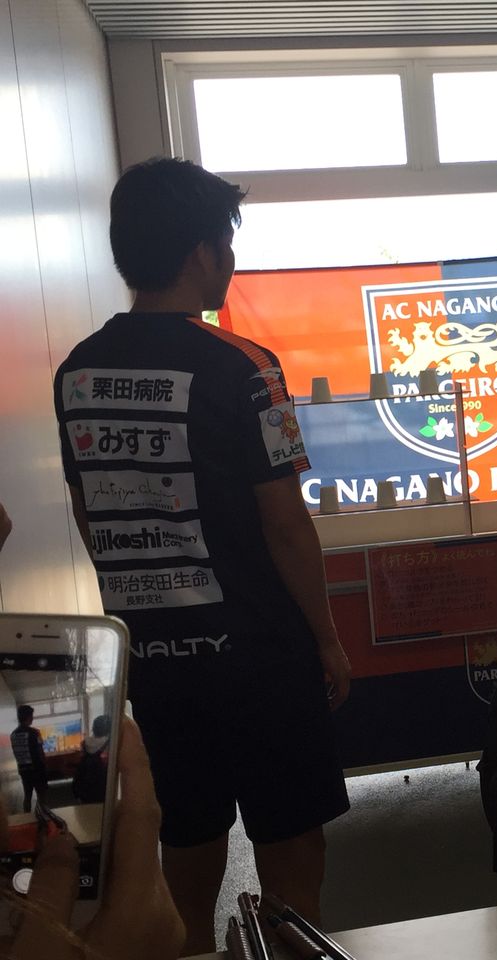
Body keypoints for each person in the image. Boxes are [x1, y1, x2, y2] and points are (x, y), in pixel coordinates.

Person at [52, 158, 352, 954]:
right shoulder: (246, 367)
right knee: (292, 845)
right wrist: (326, 638)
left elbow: (91, 512)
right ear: (200, 253)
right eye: (226, 243)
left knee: (183, 843)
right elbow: (285, 524)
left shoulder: (77, 373)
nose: (230, 260)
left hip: (155, 660)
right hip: (260, 654)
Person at [2, 716, 185, 960]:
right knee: (98, 821)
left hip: (43, 780)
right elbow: (39, 754)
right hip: (93, 798)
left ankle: (33, 811)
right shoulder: (42, 735)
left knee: (31, 799)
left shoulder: (19, 735)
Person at [9, 707, 47, 814]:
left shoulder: (13, 735)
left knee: (27, 796)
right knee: (41, 795)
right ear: (28, 717)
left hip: (23, 770)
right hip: (37, 770)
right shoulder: (35, 733)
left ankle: (27, 817)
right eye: (31, 716)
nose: (32, 718)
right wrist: (45, 766)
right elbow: (40, 753)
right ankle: (42, 815)